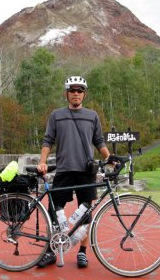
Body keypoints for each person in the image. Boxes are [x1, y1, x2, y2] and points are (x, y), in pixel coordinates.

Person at [36, 76, 111, 269]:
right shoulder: (56, 115)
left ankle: (82, 253)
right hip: (64, 170)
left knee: (86, 213)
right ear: (67, 93)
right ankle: (52, 251)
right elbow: (48, 141)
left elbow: (99, 141)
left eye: (80, 90)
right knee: (54, 211)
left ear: (84, 94)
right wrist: (42, 162)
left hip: (86, 171)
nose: (76, 93)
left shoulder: (92, 116)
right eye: (72, 90)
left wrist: (109, 158)